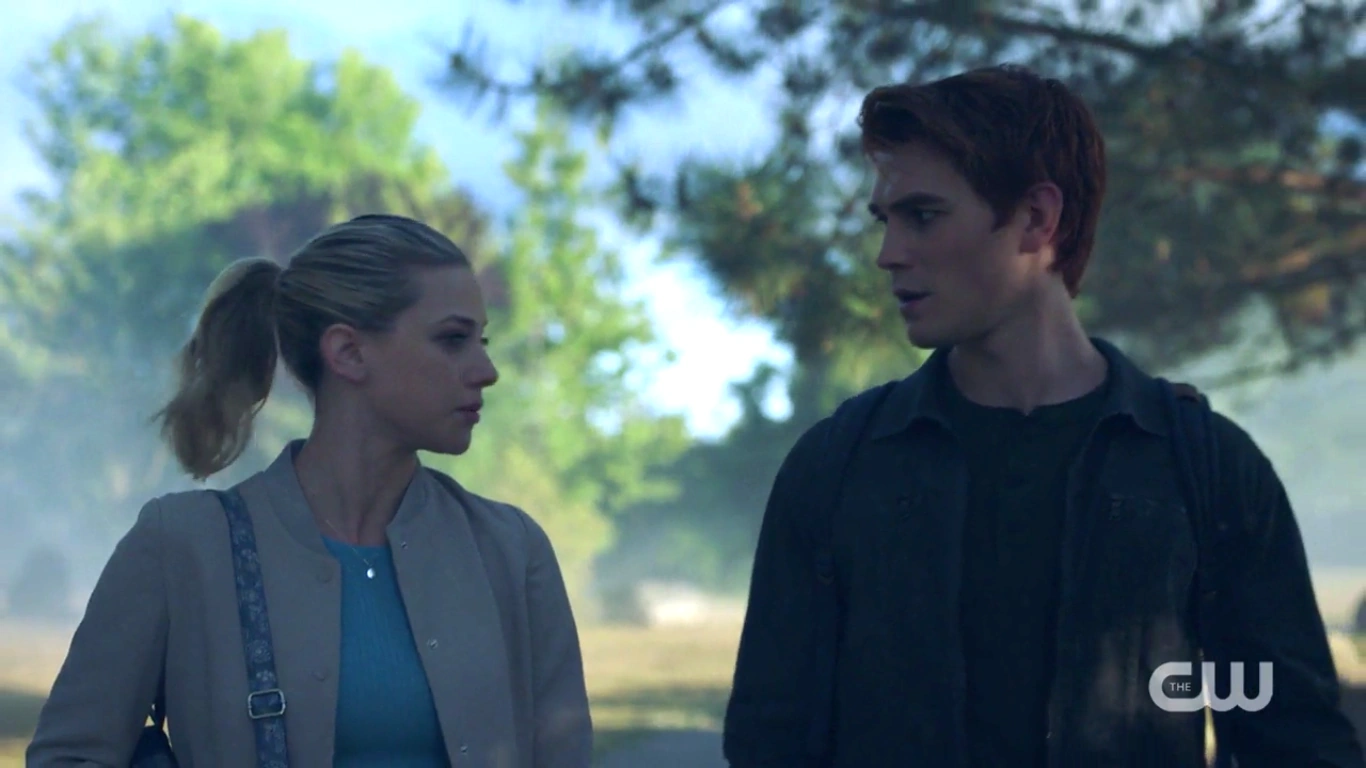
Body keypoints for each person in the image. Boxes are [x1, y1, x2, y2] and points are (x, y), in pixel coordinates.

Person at [722, 65, 1366, 768]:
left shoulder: (1204, 469)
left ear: (1036, 218)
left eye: (923, 216)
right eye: (886, 220)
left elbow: (1293, 737)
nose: (888, 254)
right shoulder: (839, 466)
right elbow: (769, 739)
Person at [28, 214, 593, 767]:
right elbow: (69, 755)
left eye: (481, 341)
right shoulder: (182, 546)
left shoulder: (510, 549)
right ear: (348, 352)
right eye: (453, 340)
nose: (487, 370)